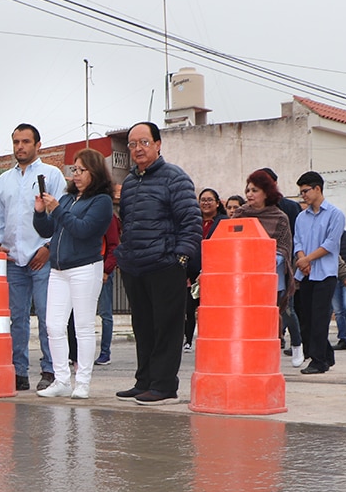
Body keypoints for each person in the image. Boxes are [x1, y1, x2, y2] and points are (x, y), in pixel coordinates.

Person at [114, 122, 201, 404]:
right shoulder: (128, 182)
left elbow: (191, 222)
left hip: (165, 264)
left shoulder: (175, 178)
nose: (138, 149)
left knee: (167, 327)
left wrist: (180, 259)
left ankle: (164, 385)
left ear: (158, 144)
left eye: (144, 142)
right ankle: (144, 381)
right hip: (135, 265)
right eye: (132, 144)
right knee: (143, 326)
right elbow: (127, 222)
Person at [0, 123, 66, 391]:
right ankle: (18, 372)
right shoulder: (4, 180)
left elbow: (61, 215)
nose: (19, 147)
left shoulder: (52, 174)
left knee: (47, 316)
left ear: (38, 145)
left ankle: (50, 371)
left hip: (42, 257)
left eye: (25, 142)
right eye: (16, 142)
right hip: (13, 260)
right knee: (16, 318)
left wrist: (48, 246)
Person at [33, 149, 114, 399]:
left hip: (85, 268)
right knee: (53, 325)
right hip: (59, 269)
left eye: (81, 170)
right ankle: (61, 380)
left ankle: (83, 382)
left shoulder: (102, 201)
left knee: (83, 326)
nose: (75, 175)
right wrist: (39, 211)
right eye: (74, 170)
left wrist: (57, 209)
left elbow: (83, 230)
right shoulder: (68, 199)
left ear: (95, 172)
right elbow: (48, 229)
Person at [230, 169, 296, 350]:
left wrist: (261, 258)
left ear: (267, 193)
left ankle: (269, 351)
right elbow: (229, 242)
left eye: (255, 190)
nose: (249, 194)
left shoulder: (280, 218)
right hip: (243, 278)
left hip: (269, 279)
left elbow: (284, 250)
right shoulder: (240, 214)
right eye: (248, 190)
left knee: (265, 322)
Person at [293, 171, 346, 374]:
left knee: (319, 318)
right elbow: (297, 240)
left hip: (325, 273)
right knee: (306, 316)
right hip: (305, 273)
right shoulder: (301, 217)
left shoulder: (335, 214)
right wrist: (301, 258)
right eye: (301, 192)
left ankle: (318, 361)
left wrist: (308, 259)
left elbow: (331, 244)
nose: (303, 195)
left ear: (317, 189)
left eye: (306, 191)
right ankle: (327, 355)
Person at [263, 167, 305, 366]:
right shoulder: (251, 210)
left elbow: (296, 236)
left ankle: (297, 345)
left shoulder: (288, 207)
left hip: (283, 266)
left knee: (287, 310)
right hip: (259, 269)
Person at [185, 188, 227, 351]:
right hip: (192, 275)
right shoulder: (193, 222)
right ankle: (188, 340)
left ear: (217, 203)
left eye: (210, 200)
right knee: (189, 310)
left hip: (214, 275)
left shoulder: (223, 222)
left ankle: (214, 341)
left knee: (212, 312)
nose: (206, 203)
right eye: (203, 200)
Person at [93, 213, 120, 366]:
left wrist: (107, 269)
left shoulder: (108, 217)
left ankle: (105, 352)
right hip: (89, 266)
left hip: (102, 269)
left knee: (105, 313)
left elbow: (113, 245)